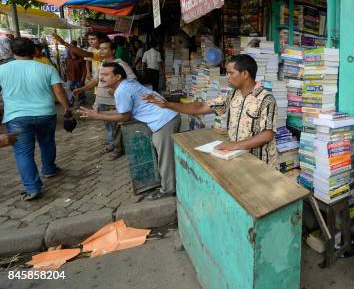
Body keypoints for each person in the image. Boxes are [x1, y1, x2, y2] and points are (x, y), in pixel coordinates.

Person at [144, 54, 278, 166]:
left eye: (231, 73)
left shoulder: (266, 99)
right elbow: (201, 107)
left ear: (245, 74)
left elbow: (267, 134)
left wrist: (235, 145)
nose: (228, 77)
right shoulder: (231, 95)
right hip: (236, 157)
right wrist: (167, 105)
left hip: (260, 163)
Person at [79, 62, 180, 200]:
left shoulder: (122, 91)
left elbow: (124, 117)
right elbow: (125, 112)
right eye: (100, 74)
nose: (101, 78)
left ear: (118, 77)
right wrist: (101, 113)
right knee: (165, 156)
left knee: (165, 158)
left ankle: (168, 190)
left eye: (106, 74)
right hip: (168, 116)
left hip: (164, 121)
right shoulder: (127, 84)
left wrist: (98, 116)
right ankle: (168, 184)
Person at [0, 38, 72, 200]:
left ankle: (33, 188)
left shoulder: (2, 70)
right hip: (45, 113)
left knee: (23, 153)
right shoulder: (47, 68)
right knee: (47, 142)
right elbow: (59, 92)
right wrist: (68, 109)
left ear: (12, 52)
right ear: (34, 51)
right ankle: (49, 169)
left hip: (17, 117)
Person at [73, 39, 137, 159]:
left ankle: (118, 149)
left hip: (114, 102)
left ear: (112, 50)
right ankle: (112, 144)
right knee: (108, 126)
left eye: (104, 48)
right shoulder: (102, 64)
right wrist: (82, 89)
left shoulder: (120, 64)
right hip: (101, 100)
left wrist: (117, 91)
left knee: (116, 127)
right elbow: (96, 80)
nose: (101, 50)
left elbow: (132, 80)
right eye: (100, 48)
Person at [65, 40, 87, 106]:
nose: (72, 53)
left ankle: (82, 100)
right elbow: (67, 69)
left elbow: (84, 70)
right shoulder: (68, 59)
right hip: (70, 77)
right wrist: (66, 76)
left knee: (80, 89)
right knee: (69, 89)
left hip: (79, 77)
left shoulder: (81, 59)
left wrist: (83, 79)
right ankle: (71, 102)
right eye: (71, 52)